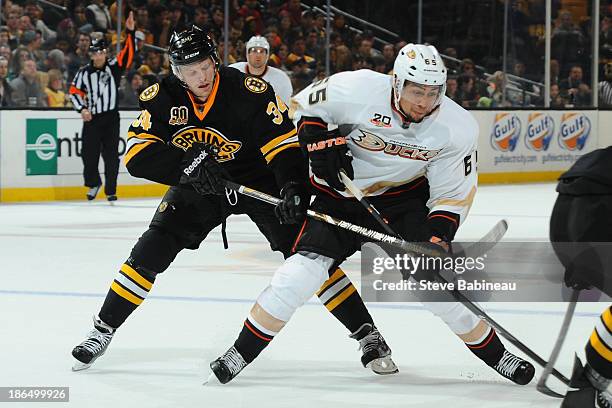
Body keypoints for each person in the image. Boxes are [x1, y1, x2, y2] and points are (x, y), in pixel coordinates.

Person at [71, 26, 397, 376]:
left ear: (215, 61)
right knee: (153, 247)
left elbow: (283, 147)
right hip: (198, 183)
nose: (200, 77)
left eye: (204, 67)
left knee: (308, 255)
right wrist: (187, 166)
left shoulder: (248, 93)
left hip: (259, 180)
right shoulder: (162, 97)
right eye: (189, 71)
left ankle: (368, 334)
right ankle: (102, 329)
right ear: (177, 72)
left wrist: (292, 187)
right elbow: (136, 154)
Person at [209, 43, 536, 386]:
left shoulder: (457, 127)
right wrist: (319, 142)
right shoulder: (356, 88)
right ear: (396, 82)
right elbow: (301, 108)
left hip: (402, 202)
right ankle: (239, 352)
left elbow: (451, 195)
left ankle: (499, 357)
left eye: (433, 92)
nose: (424, 102)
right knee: (299, 274)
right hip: (336, 196)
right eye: (416, 91)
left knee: (433, 287)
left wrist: (438, 238)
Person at [548, 147, 612, 408]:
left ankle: (595, 379)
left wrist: (581, 259)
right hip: (599, 212)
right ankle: (594, 382)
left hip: (564, 215)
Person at [69, 12, 136, 202]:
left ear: (105, 52)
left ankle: (111, 190)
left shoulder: (114, 67)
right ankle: (93, 183)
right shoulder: (84, 73)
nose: (96, 56)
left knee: (111, 156)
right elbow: (74, 91)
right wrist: (82, 109)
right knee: (88, 155)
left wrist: (130, 31)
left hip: (111, 118)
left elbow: (129, 53)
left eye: (99, 52)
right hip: (92, 119)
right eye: (93, 52)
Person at [230, 35, 293, 104]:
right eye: (254, 51)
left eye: (262, 51)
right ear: (247, 54)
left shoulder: (281, 78)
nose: (258, 55)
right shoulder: (233, 71)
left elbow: (285, 107)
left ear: (267, 55)